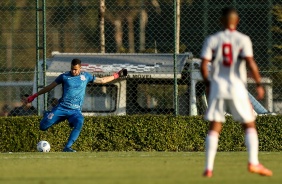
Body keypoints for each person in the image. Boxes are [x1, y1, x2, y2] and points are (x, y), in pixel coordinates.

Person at [200, 7, 272, 177]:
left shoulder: (212, 39)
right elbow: (251, 63)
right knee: (249, 125)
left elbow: (204, 65)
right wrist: (259, 84)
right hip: (237, 87)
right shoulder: (243, 39)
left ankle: (208, 168)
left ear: (221, 21)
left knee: (214, 127)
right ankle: (253, 163)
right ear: (237, 21)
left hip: (218, 86)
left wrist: (208, 83)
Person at [27, 58, 127, 152]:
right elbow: (49, 87)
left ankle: (67, 147)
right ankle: (49, 115)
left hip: (75, 111)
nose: (73, 71)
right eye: (72, 69)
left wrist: (117, 75)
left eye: (75, 69)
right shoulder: (64, 76)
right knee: (42, 127)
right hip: (61, 108)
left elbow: (102, 80)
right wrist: (35, 95)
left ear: (80, 68)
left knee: (80, 122)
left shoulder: (86, 76)